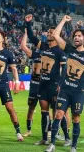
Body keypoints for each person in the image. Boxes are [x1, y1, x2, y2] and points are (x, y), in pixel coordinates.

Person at [25, 14, 71, 146]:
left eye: (51, 32)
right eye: (49, 32)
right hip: (42, 85)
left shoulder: (60, 52)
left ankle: (67, 138)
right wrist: (28, 23)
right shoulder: (44, 46)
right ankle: (45, 138)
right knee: (44, 112)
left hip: (54, 86)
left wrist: (60, 85)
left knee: (58, 113)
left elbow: (65, 70)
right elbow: (32, 38)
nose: (48, 33)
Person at [46, 15, 83, 152]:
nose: (76, 38)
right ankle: (53, 144)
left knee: (75, 117)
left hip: (78, 92)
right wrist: (63, 20)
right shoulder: (69, 49)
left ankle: (73, 146)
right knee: (58, 115)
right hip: (65, 90)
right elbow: (56, 35)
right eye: (75, 36)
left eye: (79, 36)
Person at [20, 29, 41, 136]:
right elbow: (23, 46)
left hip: (44, 84)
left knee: (46, 108)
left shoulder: (51, 54)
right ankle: (28, 130)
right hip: (34, 83)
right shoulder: (36, 55)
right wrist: (26, 33)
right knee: (31, 107)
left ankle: (50, 131)